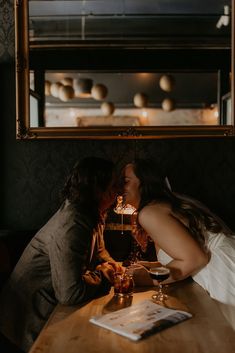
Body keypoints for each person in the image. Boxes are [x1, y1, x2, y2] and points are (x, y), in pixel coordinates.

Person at [0, 157, 122, 352]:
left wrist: (114, 265)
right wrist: (103, 275)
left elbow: (99, 250)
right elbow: (69, 293)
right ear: (97, 189)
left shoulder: (93, 210)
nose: (118, 190)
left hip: (54, 306)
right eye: (113, 185)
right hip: (29, 319)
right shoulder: (73, 222)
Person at [122, 158, 235, 309]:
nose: (120, 187)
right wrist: (151, 266)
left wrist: (144, 278)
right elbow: (184, 253)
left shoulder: (149, 213)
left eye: (125, 181)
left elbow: (195, 259)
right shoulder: (160, 205)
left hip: (224, 270)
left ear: (144, 183)